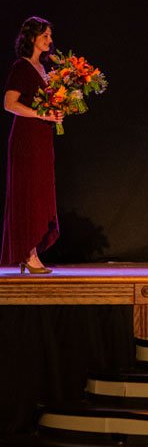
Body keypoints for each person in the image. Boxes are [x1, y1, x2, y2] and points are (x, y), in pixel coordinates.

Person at [2, 16, 64, 274]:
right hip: (27, 137)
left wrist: (57, 111)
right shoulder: (22, 67)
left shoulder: (44, 68)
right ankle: (28, 254)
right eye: (45, 36)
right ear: (32, 38)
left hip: (42, 136)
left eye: (50, 36)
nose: (50, 40)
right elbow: (9, 103)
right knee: (28, 192)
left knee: (40, 191)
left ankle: (32, 251)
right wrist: (41, 115)